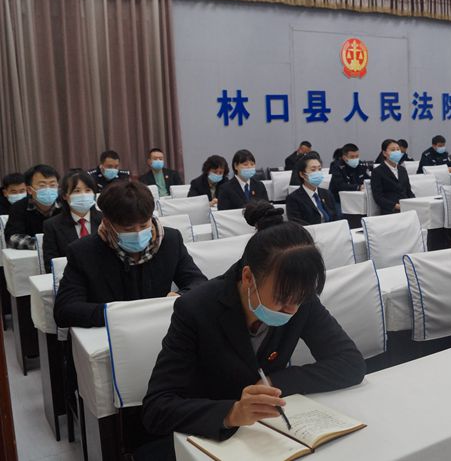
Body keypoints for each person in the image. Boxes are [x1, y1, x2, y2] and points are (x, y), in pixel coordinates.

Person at [140, 201, 365, 458]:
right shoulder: (196, 308)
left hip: (270, 434)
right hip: (208, 440)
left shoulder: (299, 298)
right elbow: (157, 407)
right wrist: (232, 412)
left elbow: (350, 363)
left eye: (299, 300)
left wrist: (276, 382)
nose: (291, 310)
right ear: (248, 278)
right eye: (281, 300)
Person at [53, 181, 207, 328]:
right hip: (111, 333)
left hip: (160, 327)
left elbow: (198, 283)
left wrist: (179, 297)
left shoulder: (170, 241)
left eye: (144, 225)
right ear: (107, 223)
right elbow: (65, 310)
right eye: (128, 229)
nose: (138, 233)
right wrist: (122, 314)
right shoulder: (83, 251)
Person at [42, 171, 103, 273]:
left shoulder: (105, 220)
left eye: (88, 190)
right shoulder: (52, 225)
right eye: (77, 191)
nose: (83, 195)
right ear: (65, 195)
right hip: (69, 278)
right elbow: (51, 265)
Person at [4, 165, 61, 249]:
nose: (48, 189)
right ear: (29, 190)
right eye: (42, 185)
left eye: (52, 185)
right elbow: (12, 238)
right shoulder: (19, 207)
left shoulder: (65, 205)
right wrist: (43, 244)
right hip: (31, 254)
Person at [286, 155, 338, 225]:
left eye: (319, 169)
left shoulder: (327, 193)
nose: (317, 173)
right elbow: (297, 224)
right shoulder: (293, 198)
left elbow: (336, 217)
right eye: (313, 170)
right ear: (302, 174)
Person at [371, 139, 414, 215]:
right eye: (393, 150)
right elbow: (378, 197)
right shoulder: (377, 171)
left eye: (398, 149)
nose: (396, 152)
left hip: (406, 208)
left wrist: (414, 202)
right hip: (390, 210)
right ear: (384, 153)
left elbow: (408, 191)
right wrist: (396, 206)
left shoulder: (402, 169)